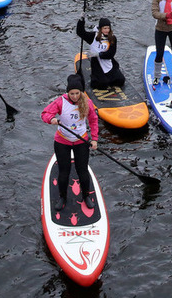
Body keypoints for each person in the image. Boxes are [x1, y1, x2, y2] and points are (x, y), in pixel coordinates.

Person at [41, 74, 99, 211]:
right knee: (64, 172)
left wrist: (95, 139)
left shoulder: (87, 103)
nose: (74, 96)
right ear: (68, 92)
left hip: (81, 141)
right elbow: (44, 114)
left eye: (77, 93)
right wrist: (52, 119)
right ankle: (62, 197)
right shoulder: (60, 102)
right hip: (62, 141)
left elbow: (93, 120)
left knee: (82, 171)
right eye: (71, 93)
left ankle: (86, 196)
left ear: (81, 92)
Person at [75, 16, 125, 90]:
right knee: (102, 84)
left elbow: (111, 54)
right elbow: (80, 32)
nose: (107, 30)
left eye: (108, 28)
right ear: (101, 28)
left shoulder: (113, 38)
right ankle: (95, 78)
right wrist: (81, 21)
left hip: (108, 63)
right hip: (97, 64)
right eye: (105, 28)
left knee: (120, 80)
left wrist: (99, 54)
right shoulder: (93, 37)